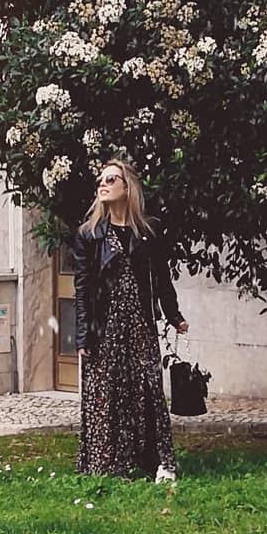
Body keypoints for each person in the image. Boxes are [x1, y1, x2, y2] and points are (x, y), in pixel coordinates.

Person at [73, 157, 189, 482]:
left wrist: (174, 315)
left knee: (148, 388)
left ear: (128, 188)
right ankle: (108, 465)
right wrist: (83, 335)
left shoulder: (148, 231)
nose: (103, 184)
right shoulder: (89, 234)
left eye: (111, 179)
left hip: (139, 323)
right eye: (101, 180)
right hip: (104, 326)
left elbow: (162, 278)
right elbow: (82, 289)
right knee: (106, 393)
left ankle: (156, 462)